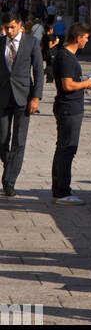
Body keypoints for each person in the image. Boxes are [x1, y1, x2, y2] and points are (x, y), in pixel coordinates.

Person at [52, 23, 91, 203]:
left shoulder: (67, 56)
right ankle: (62, 192)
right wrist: (86, 84)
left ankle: (59, 189)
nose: (87, 41)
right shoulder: (67, 57)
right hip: (69, 108)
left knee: (63, 148)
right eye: (86, 37)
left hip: (69, 107)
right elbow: (68, 85)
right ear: (78, 38)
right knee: (67, 149)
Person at [0, 11, 44, 197]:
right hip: (2, 96)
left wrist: (36, 98)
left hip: (23, 97)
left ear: (19, 25)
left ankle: (9, 180)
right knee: (1, 139)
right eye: (6, 28)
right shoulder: (1, 42)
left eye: (12, 27)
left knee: (19, 140)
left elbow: (39, 71)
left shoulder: (31, 42)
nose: (9, 31)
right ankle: (10, 163)